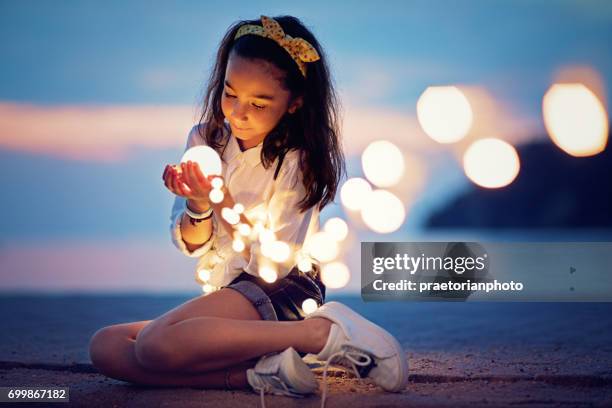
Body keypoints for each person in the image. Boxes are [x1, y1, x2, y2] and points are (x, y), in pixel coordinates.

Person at [88, 15, 409, 404]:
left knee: (155, 346)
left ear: (295, 103)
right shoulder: (205, 139)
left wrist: (218, 196)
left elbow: (265, 266)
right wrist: (198, 204)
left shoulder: (296, 161)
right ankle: (262, 375)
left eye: (259, 103)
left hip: (283, 293)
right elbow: (191, 245)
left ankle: (319, 334)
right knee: (107, 346)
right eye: (230, 92)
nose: (238, 112)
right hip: (232, 294)